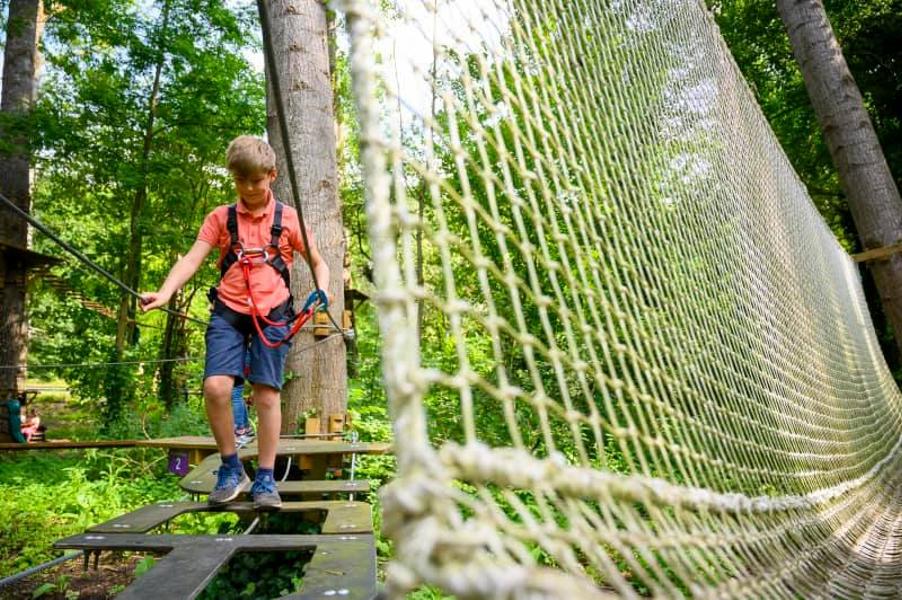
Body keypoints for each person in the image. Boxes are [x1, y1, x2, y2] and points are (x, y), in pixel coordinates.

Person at [140, 136, 330, 509]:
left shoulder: (288, 219)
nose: (248, 188)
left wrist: (323, 290)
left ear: (271, 176)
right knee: (215, 388)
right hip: (229, 311)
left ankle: (264, 478)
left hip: (273, 314)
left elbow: (320, 264)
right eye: (240, 181)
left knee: (266, 394)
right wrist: (164, 293)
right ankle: (230, 468)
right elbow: (192, 259)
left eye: (256, 181)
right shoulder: (220, 218)